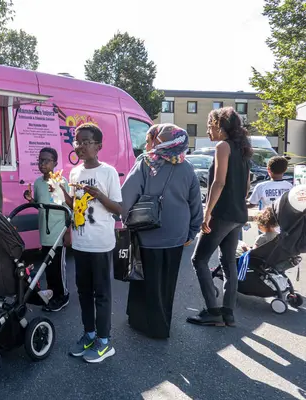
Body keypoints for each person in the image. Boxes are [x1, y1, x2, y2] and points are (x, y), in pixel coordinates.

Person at [121, 124, 203, 339]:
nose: (147, 145)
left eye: (149, 140)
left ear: (160, 141)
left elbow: (126, 198)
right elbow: (195, 203)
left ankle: (142, 321)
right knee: (166, 283)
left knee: (143, 278)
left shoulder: (145, 164)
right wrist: (192, 232)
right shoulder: (187, 168)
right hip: (176, 235)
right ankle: (161, 323)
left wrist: (125, 221)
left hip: (148, 232)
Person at [58, 123, 122, 363]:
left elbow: (119, 208)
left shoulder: (108, 172)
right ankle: (89, 334)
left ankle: (105, 342)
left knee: (101, 294)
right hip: (81, 244)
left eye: (86, 141)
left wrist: (99, 195)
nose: (80, 146)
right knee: (83, 293)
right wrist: (63, 193)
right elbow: (74, 206)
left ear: (98, 146)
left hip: (101, 244)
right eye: (77, 141)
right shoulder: (74, 173)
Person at [187, 107, 252, 328]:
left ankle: (213, 312)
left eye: (209, 126)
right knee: (228, 262)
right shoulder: (243, 148)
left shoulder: (222, 146)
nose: (207, 131)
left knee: (199, 259)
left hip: (222, 213)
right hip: (238, 214)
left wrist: (207, 212)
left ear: (218, 125)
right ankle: (228, 313)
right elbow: (246, 187)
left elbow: (219, 182)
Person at [23, 147, 70, 312]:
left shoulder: (62, 182)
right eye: (40, 160)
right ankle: (52, 294)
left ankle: (63, 296)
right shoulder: (37, 183)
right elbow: (40, 206)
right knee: (47, 267)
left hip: (58, 234)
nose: (42, 163)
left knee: (58, 268)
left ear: (55, 163)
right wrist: (32, 200)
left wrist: (68, 234)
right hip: (44, 234)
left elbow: (69, 209)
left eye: (47, 160)